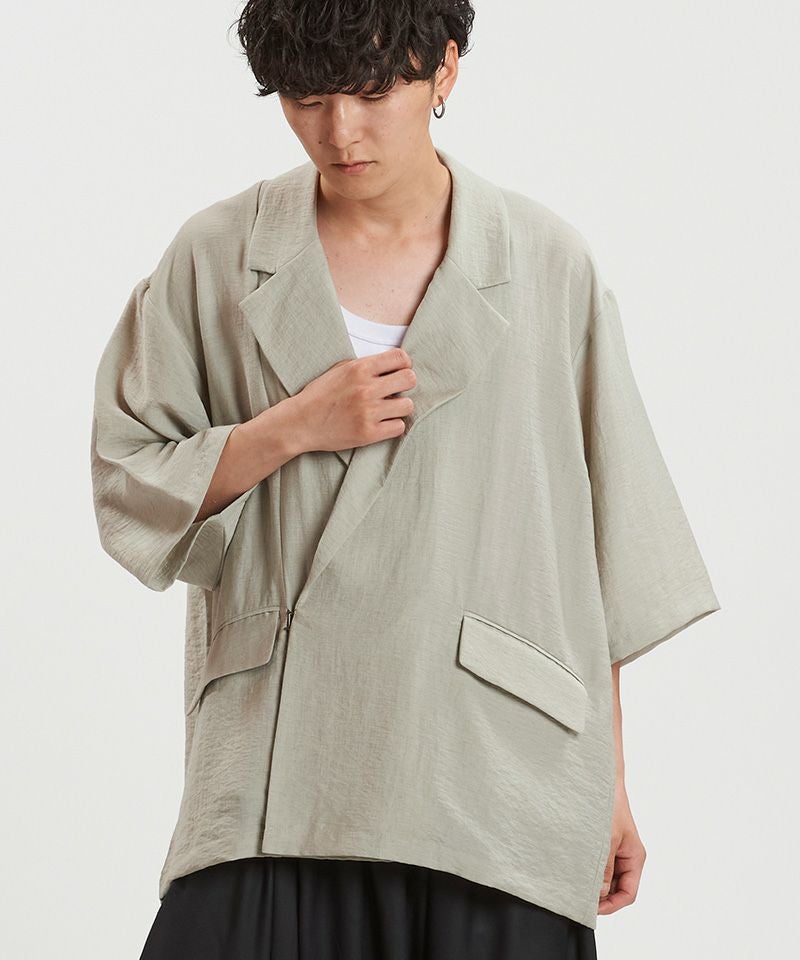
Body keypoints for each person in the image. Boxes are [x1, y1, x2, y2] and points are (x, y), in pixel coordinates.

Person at [90, 2, 720, 958]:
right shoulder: (216, 257)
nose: (340, 133)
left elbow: (594, 551)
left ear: (445, 69)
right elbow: (129, 477)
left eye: (372, 92)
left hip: (489, 768)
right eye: (307, 99)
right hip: (275, 761)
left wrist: (611, 784)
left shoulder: (546, 266)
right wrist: (292, 427)